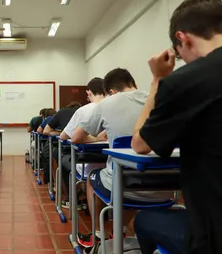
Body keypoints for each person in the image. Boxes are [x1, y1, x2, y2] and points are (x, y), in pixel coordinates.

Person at [131, 0, 222, 254]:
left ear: (182, 38)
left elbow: (140, 144)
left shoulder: (186, 81)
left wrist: (158, 80)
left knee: (144, 219)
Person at [71, 68, 172, 249]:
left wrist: (96, 138)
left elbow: (76, 138)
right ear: (133, 83)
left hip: (125, 187)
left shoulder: (107, 104)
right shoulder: (160, 99)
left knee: (93, 178)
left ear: (110, 92)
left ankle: (98, 235)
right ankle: (125, 232)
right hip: (167, 189)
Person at [58, 78, 107, 209]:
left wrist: (95, 138)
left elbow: (63, 137)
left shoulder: (84, 110)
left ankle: (73, 199)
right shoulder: (114, 108)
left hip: (88, 163)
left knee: (64, 160)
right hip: (112, 163)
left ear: (89, 93)